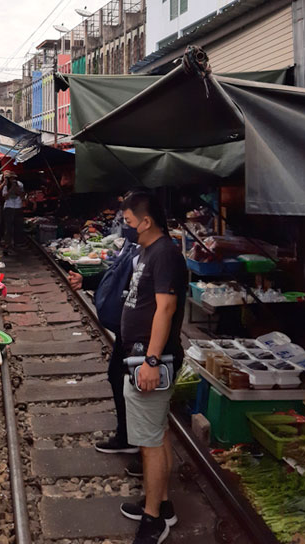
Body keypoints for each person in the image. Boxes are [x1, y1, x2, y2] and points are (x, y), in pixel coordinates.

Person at [118, 190, 187, 544]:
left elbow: (166, 309)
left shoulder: (164, 254)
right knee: (157, 435)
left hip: (150, 360)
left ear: (146, 222)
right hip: (141, 355)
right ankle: (160, 502)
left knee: (148, 442)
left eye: (129, 221)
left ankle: (153, 520)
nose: (126, 226)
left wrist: (151, 361)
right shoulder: (148, 251)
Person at [67, 228, 140, 455]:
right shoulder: (134, 247)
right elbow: (115, 274)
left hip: (141, 332)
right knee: (118, 376)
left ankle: (135, 441)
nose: (126, 226)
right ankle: (128, 436)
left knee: (127, 380)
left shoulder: (153, 254)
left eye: (129, 220)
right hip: (130, 328)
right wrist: (87, 280)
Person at [0, 170, 25, 255]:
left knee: (18, 226)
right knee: (8, 227)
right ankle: (7, 244)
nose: (12, 180)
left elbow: (22, 195)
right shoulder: (6, 186)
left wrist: (16, 188)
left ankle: (17, 243)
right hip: (8, 206)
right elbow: (5, 197)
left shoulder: (20, 184)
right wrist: (11, 189)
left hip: (18, 206)